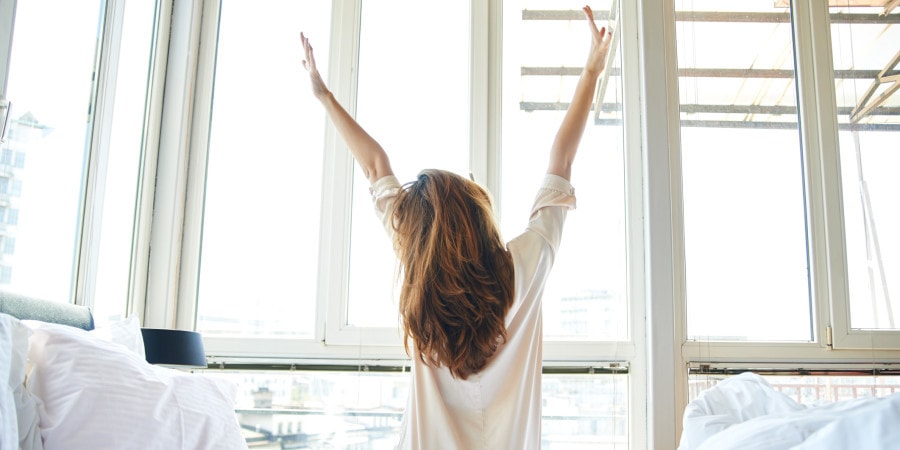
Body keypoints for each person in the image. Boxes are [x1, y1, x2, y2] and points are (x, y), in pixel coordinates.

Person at [301, 5, 612, 449]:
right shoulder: (526, 263)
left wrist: (324, 95)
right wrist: (591, 73)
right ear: (479, 215)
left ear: (422, 233)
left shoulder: (416, 263)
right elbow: (560, 161)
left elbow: (375, 166)